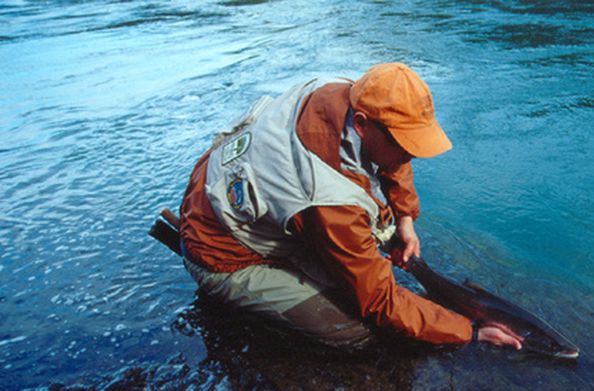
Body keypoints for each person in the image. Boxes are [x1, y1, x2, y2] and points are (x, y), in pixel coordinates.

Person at [178, 62, 522, 350]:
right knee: (358, 330)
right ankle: (239, 301)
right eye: (406, 145)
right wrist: (470, 332)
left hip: (218, 188)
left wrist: (405, 218)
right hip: (219, 252)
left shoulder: (347, 90)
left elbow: (395, 156)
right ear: (361, 124)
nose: (412, 154)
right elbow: (379, 303)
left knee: (376, 232)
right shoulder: (326, 199)